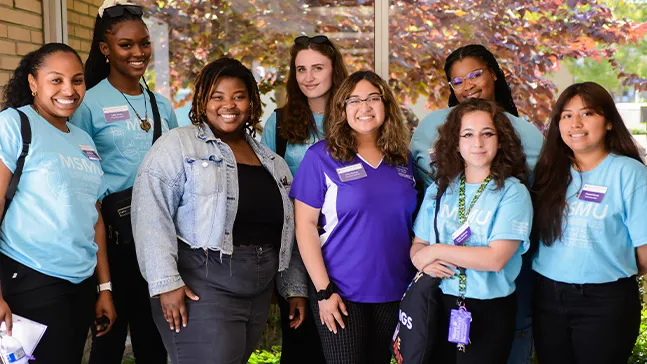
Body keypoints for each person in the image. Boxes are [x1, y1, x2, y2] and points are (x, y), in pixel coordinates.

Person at [131, 57, 308, 364]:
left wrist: (293, 287)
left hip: (258, 292)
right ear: (202, 101)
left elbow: (287, 229)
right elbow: (151, 212)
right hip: (202, 286)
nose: (229, 105)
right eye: (218, 96)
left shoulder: (272, 161)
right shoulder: (178, 145)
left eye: (239, 96)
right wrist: (166, 282)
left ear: (251, 102)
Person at [410, 44, 543, 363]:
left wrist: (435, 251)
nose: (467, 85)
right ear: (454, 141)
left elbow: (497, 257)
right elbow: (420, 242)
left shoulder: (513, 188)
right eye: (457, 81)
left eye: (475, 74)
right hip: (441, 297)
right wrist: (422, 257)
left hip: (495, 295)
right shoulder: (439, 189)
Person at [70, 2, 178, 363]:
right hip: (114, 240)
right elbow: (82, 176)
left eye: (144, 44)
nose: (138, 53)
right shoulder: (88, 104)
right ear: (106, 49)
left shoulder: (161, 105)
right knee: (109, 341)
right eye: (126, 45)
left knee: (154, 342)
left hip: (159, 237)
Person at [0, 42, 116, 363]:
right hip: (32, 278)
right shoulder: (13, 125)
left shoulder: (83, 139)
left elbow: (94, 217)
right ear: (33, 82)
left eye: (77, 80)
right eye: (56, 80)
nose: (69, 89)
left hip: (80, 283)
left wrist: (104, 287)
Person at [291, 70, 417, 364]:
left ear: (386, 105)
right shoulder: (320, 156)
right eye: (354, 100)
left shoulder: (402, 158)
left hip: (395, 290)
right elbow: (305, 226)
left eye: (374, 98)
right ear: (341, 108)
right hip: (340, 292)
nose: (365, 107)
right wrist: (323, 292)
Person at [531, 82, 647, 364]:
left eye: (587, 114)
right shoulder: (548, 172)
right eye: (566, 115)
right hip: (547, 298)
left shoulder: (628, 173)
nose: (575, 123)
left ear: (608, 122)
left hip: (605, 304)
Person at [260, 34, 348, 364]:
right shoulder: (280, 122)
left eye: (317, 68)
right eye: (300, 69)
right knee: (301, 342)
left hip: (344, 245)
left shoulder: (354, 117)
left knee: (342, 341)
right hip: (296, 250)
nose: (308, 77)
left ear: (334, 70)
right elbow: (267, 184)